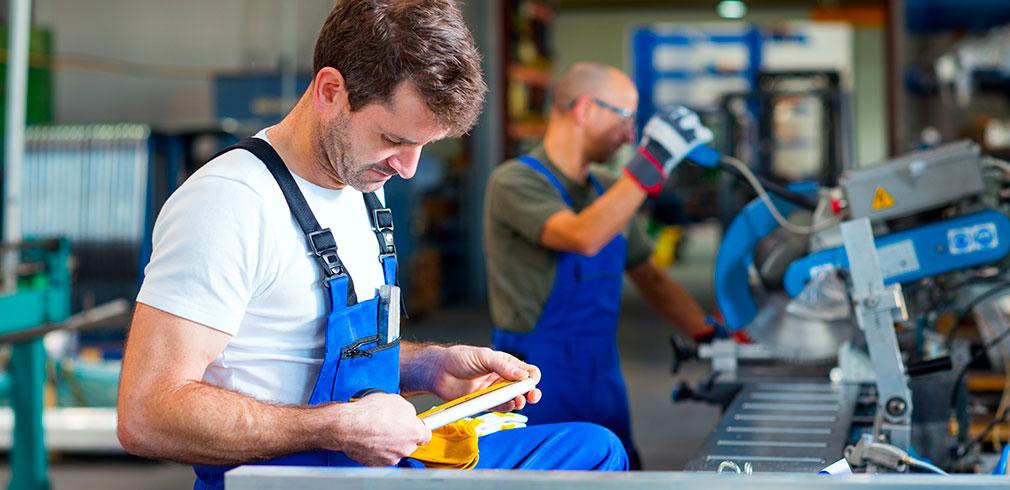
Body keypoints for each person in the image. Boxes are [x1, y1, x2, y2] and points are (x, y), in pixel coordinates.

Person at [116, 3, 627, 489]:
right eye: (394, 139)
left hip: (367, 465)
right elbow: (147, 413)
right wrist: (336, 427)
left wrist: (429, 366)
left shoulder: (361, 183)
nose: (407, 168)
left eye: (423, 146)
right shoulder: (230, 202)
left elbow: (305, 351)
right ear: (331, 91)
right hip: (290, 477)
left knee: (595, 450)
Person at [483, 62, 722, 469]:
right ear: (586, 109)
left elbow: (650, 276)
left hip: (602, 375)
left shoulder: (612, 191)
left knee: (619, 468)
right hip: (536, 384)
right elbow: (583, 236)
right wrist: (653, 161)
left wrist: (711, 336)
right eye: (626, 116)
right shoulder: (514, 183)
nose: (631, 134)